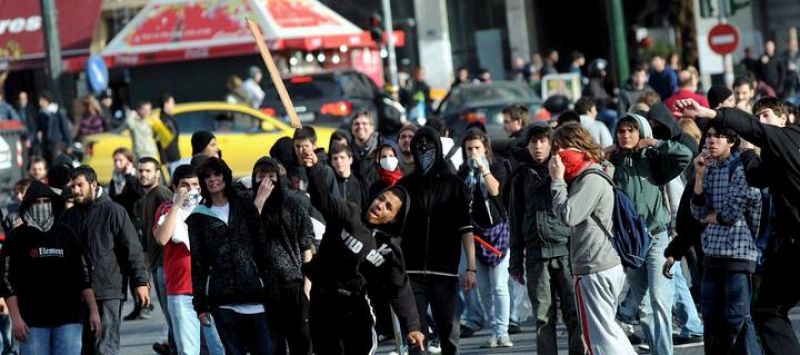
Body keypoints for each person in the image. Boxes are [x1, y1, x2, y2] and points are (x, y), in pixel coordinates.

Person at [674, 97, 800, 355]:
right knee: (766, 311)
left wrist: (711, 113)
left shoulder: (789, 138)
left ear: (785, 119)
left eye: (766, 115)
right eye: (758, 116)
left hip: (753, 252)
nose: (761, 122)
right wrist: (745, 151)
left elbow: (755, 131)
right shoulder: (774, 158)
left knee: (757, 314)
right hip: (786, 246)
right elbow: (757, 176)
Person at [303, 150, 425, 355]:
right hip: (322, 301)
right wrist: (313, 168)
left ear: (393, 219)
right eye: (381, 199)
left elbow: (399, 287)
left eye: (388, 207)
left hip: (354, 308)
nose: (380, 206)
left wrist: (412, 327)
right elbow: (323, 199)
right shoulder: (349, 213)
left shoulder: (387, 249)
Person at [663, 121, 763, 354]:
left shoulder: (740, 168)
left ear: (731, 141)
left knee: (737, 320)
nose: (711, 140)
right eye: (708, 136)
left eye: (718, 136)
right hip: (711, 255)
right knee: (712, 320)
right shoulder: (706, 167)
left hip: (738, 254)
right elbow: (697, 213)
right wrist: (698, 176)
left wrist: (713, 216)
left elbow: (730, 213)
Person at [608, 113, 692, 355]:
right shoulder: (614, 162)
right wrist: (604, 153)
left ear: (641, 133)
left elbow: (684, 155)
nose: (626, 136)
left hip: (657, 236)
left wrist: (654, 143)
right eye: (622, 131)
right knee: (643, 306)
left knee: (659, 299)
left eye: (631, 131)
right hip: (630, 242)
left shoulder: (653, 158)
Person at [548, 123, 635, 354]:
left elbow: (569, 215)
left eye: (561, 148)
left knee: (598, 337)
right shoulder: (590, 174)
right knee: (608, 330)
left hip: (594, 265)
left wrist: (557, 180)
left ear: (578, 147)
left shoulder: (591, 178)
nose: (557, 156)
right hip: (600, 262)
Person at [396, 127, 477, 355]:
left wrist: (471, 267)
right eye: (418, 146)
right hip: (412, 274)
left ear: (439, 149)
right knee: (416, 336)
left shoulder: (454, 185)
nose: (424, 151)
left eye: (429, 146)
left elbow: (466, 230)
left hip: (445, 272)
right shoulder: (405, 186)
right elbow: (394, 230)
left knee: (449, 333)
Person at [0, 180, 102, 355]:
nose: (42, 206)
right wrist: (15, 318)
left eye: (46, 201)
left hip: (68, 319)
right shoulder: (17, 237)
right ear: (28, 205)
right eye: (37, 202)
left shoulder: (66, 233)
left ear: (53, 204)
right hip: (31, 322)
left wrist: (93, 311)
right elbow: (6, 279)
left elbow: (84, 275)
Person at [509, 124, 584, 355]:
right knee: (542, 318)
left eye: (543, 141)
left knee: (575, 314)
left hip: (566, 252)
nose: (538, 146)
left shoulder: (565, 170)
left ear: (551, 144)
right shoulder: (521, 176)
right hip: (535, 256)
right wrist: (515, 259)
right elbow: (515, 219)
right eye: (533, 141)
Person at [60, 165, 151, 355]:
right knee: (84, 348)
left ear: (93, 185)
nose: (75, 190)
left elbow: (132, 248)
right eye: (73, 186)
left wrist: (140, 282)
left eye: (80, 185)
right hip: (77, 292)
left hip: (108, 288)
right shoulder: (69, 216)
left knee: (105, 346)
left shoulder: (113, 211)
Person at [186, 157, 272, 355]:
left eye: (217, 174)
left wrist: (271, 289)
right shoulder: (198, 217)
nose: (212, 179)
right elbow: (198, 263)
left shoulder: (245, 205)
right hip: (222, 299)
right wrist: (200, 305)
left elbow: (262, 249)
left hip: (255, 295)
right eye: (207, 176)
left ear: (225, 175)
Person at [153, 165, 225, 355]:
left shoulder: (210, 207)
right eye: (185, 185)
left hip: (211, 290)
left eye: (195, 184)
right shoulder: (167, 209)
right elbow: (161, 238)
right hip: (181, 291)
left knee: (219, 347)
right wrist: (177, 205)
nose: (192, 189)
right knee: (188, 350)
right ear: (174, 187)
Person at [249, 158, 313, 355]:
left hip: (292, 282)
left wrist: (308, 283)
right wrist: (259, 200)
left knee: (300, 340)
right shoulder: (247, 204)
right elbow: (246, 234)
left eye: (271, 176)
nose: (267, 181)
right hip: (263, 286)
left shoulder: (292, 205)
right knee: (272, 343)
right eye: (261, 176)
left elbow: (306, 245)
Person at [455, 130, 513, 348]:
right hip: (474, 235)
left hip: (497, 232)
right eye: (469, 149)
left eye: (477, 148)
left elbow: (495, 189)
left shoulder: (497, 166)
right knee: (485, 289)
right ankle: (494, 330)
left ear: (485, 149)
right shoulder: (462, 173)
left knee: (500, 286)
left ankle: (503, 331)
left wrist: (484, 169)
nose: (473, 153)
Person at [132, 157, 174, 350]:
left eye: (148, 171)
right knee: (168, 313)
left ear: (157, 173)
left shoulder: (162, 194)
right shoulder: (144, 199)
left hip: (167, 263)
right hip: (155, 263)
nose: (143, 174)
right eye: (141, 171)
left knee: (173, 313)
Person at [35, 91, 73, 164]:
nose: (39, 103)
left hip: (56, 143)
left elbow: (65, 129)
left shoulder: (58, 112)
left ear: (46, 101)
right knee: (46, 163)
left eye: (41, 100)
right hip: (45, 143)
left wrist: (69, 144)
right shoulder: (41, 113)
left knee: (55, 163)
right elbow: (38, 127)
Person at [108, 147, 142, 218]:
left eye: (121, 160)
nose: (117, 164)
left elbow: (138, 193)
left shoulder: (137, 177)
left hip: (133, 219)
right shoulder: (114, 180)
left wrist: (129, 176)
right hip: (119, 217)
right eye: (115, 161)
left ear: (129, 162)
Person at [350, 111, 381, 186]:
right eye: (356, 124)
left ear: (372, 128)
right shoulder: (347, 150)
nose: (360, 126)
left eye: (364, 123)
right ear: (352, 128)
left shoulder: (382, 149)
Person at [158, 94, 181, 164]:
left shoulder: (169, 118)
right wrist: (165, 161)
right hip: (169, 159)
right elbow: (161, 143)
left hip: (174, 156)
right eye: (172, 103)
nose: (174, 105)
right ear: (166, 104)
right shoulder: (163, 120)